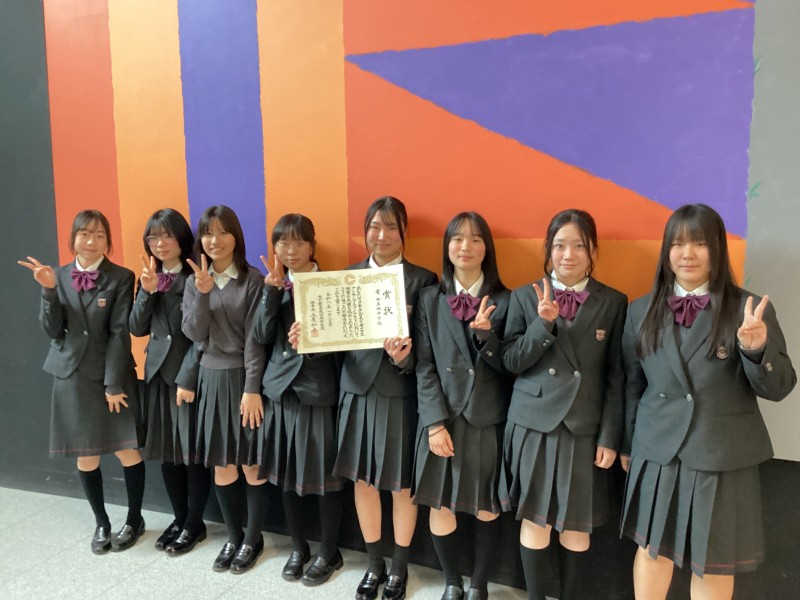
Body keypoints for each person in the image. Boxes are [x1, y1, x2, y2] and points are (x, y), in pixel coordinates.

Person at [620, 203, 796, 600]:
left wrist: (757, 349)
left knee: (713, 561)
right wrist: (628, 443)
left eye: (699, 243)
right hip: (657, 452)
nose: (688, 254)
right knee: (651, 551)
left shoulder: (748, 310)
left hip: (721, 454)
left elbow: (780, 387)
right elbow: (632, 384)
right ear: (666, 251)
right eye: (678, 244)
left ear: (717, 249)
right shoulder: (639, 311)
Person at [501, 209, 627, 600]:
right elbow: (510, 361)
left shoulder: (614, 301)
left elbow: (616, 376)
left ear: (593, 252)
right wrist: (543, 326)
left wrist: (610, 436)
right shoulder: (524, 296)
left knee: (576, 524)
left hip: (583, 427)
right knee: (535, 520)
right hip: (533, 425)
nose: (568, 254)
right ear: (548, 250)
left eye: (578, 246)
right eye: (559, 245)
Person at [18, 209, 146, 554]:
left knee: (127, 449)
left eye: (100, 235)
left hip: (111, 375)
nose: (92, 241)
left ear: (108, 241)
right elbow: (53, 331)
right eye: (85, 234)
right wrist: (48, 291)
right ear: (73, 238)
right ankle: (101, 522)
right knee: (86, 455)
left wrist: (113, 385)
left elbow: (119, 333)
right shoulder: (56, 275)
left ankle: (134, 519)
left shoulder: (121, 276)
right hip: (71, 375)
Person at [333, 196, 438, 600]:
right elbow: (334, 341)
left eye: (391, 227)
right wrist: (309, 339)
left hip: (400, 394)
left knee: (400, 484)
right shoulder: (346, 277)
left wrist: (402, 359)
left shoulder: (423, 281)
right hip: (356, 391)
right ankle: (374, 564)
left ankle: (399, 568)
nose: (381, 235)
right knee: (363, 481)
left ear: (404, 232)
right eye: (374, 226)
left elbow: (428, 352)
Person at [413, 212, 512, 600]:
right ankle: (452, 582)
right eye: (457, 238)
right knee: (441, 505)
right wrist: (434, 423)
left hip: (488, 418)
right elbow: (424, 365)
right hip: (443, 419)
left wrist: (488, 340)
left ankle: (479, 585)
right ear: (447, 247)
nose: (465, 246)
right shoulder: (428, 299)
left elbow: (511, 366)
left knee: (487, 507)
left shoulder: (509, 300)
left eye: (475, 239)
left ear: (487, 249)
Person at [252, 214, 345, 586]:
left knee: (325, 478)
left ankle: (329, 551)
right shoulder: (271, 284)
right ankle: (298, 547)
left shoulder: (332, 283)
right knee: (286, 474)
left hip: (317, 390)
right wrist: (272, 293)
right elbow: (260, 336)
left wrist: (315, 341)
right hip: (281, 392)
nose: (290, 250)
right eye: (282, 243)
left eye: (298, 242)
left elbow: (345, 341)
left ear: (312, 245)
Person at [181, 205, 268, 574]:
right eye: (208, 233)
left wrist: (252, 387)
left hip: (244, 381)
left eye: (222, 232)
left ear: (236, 237)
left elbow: (255, 341)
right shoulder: (194, 282)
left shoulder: (253, 281)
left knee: (251, 464)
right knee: (222, 464)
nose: (214, 240)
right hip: (211, 380)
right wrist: (202, 294)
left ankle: (253, 539)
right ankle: (234, 536)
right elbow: (193, 333)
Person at [129, 208, 211, 555]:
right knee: (167, 453)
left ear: (181, 239)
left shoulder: (196, 278)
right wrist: (146, 292)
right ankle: (179, 518)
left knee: (191, 454)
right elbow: (137, 328)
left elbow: (202, 336)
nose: (160, 244)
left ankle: (194, 523)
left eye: (166, 236)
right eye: (153, 238)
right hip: (156, 377)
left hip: (186, 378)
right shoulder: (149, 277)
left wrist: (188, 377)